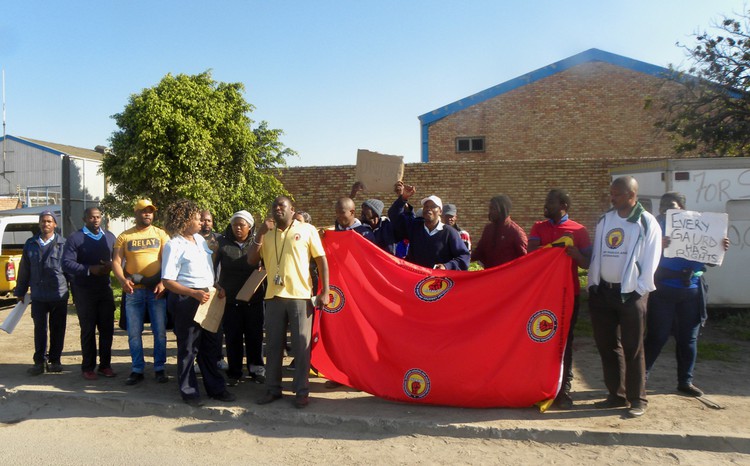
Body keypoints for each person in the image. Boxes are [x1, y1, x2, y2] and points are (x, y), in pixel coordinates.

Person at [587, 176, 661, 418]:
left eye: (617, 193)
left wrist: (639, 289)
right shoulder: (605, 219)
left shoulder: (646, 222)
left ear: (631, 195)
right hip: (604, 292)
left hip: (630, 294)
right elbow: (599, 253)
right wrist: (594, 283)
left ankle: (637, 399)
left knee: (633, 347)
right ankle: (615, 395)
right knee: (607, 345)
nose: (612, 197)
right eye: (612, 192)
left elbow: (651, 260)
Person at [644, 192, 730, 398]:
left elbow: (710, 261)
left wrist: (719, 247)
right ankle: (641, 378)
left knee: (688, 339)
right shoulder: (653, 227)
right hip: (663, 289)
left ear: (682, 207)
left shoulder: (700, 225)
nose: (666, 209)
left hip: (691, 291)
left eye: (671, 205)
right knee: (657, 336)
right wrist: (657, 245)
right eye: (663, 206)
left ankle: (685, 382)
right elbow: (641, 255)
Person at [249, 196, 330, 409]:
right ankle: (272, 389)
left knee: (301, 347)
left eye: (281, 206)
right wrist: (259, 233)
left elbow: (321, 260)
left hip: (300, 296)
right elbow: (251, 260)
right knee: (274, 346)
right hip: (274, 297)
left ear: (292, 210)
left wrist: (325, 290)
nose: (277, 209)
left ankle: (301, 391)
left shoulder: (307, 230)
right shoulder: (266, 234)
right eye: (274, 206)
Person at [161, 199, 235, 406]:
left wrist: (216, 285)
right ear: (184, 221)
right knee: (188, 348)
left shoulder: (200, 241)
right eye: (195, 219)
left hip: (207, 297)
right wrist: (193, 294)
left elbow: (206, 270)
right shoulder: (173, 245)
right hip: (187, 300)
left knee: (210, 346)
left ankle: (216, 389)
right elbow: (168, 281)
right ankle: (189, 391)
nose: (201, 222)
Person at [527, 189, 592, 409]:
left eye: (550, 202)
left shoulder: (579, 231)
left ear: (563, 204)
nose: (546, 205)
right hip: (541, 296)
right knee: (538, 339)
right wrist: (554, 251)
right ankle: (538, 386)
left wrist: (576, 255)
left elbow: (588, 263)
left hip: (567, 296)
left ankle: (563, 390)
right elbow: (532, 255)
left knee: (565, 343)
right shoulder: (539, 227)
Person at [112, 199, 171, 386]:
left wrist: (163, 282)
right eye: (144, 211)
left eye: (150, 211)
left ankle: (159, 368)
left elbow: (169, 260)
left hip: (156, 291)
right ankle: (137, 369)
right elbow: (116, 261)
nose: (147, 214)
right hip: (134, 291)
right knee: (134, 333)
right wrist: (122, 281)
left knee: (160, 332)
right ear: (135, 213)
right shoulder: (124, 236)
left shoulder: (161, 234)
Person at [62, 207, 117, 381]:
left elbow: (118, 259)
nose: (95, 220)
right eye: (92, 217)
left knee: (107, 329)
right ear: (85, 219)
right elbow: (66, 263)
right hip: (84, 290)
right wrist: (89, 269)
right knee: (88, 330)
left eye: (98, 217)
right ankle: (88, 367)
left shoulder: (109, 237)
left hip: (105, 289)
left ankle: (105, 365)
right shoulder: (75, 238)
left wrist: (111, 265)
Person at [215, 210, 266, 386]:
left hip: (254, 299)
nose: (237, 228)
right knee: (232, 336)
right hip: (230, 300)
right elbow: (211, 267)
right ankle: (235, 372)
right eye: (235, 224)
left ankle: (256, 369)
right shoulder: (221, 243)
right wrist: (217, 285)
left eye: (241, 225)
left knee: (254, 335)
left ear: (249, 227)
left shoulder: (258, 242)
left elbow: (267, 265)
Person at [15, 210, 69, 376]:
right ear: (39, 224)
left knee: (58, 328)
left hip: (58, 294)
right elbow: (24, 269)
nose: (46, 224)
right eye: (43, 221)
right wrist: (20, 291)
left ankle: (55, 360)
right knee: (40, 328)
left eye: (49, 221)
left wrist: (76, 293)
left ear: (55, 224)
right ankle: (39, 362)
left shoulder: (63, 244)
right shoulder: (30, 243)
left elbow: (70, 270)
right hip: (38, 294)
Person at [388, 181, 470, 270]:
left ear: (440, 211)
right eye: (426, 206)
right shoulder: (415, 227)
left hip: (439, 281)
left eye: (433, 206)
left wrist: (446, 266)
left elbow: (464, 256)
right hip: (416, 279)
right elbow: (395, 216)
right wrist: (403, 198)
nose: (428, 209)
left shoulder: (449, 232)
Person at [471, 194, 527, 268]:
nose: (490, 212)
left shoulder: (515, 232)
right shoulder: (488, 229)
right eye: (490, 209)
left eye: (493, 209)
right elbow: (479, 252)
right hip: (490, 275)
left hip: (508, 275)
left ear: (502, 210)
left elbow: (525, 258)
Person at [350, 181, 397, 254]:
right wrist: (352, 195)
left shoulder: (387, 226)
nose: (362, 211)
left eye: (366, 208)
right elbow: (345, 214)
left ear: (375, 212)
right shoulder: (360, 227)